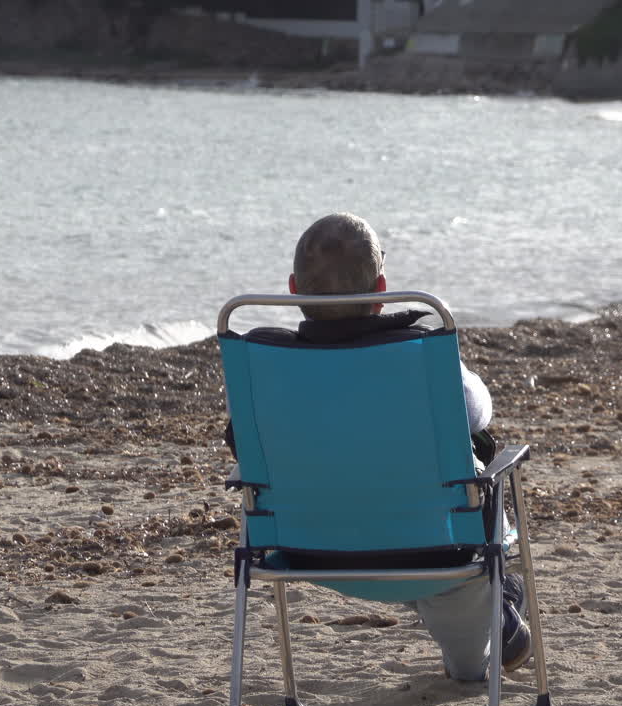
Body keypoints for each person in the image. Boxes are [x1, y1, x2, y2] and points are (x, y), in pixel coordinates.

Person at [225, 212, 531, 681]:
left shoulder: (262, 368)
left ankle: (495, 618)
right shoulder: (420, 354)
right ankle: (502, 608)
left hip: (305, 549)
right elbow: (477, 414)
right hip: (434, 547)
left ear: (293, 287)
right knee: (472, 466)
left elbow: (242, 444)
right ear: (381, 286)